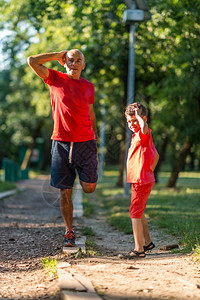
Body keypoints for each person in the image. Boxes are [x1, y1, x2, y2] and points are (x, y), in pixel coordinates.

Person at [27, 49, 98, 247]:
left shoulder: (89, 87)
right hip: (61, 143)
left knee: (89, 188)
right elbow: (32, 61)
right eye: (70, 60)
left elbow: (90, 113)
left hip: (86, 143)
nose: (74, 64)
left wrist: (96, 137)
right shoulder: (54, 78)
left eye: (78, 61)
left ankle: (86, 173)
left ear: (83, 64)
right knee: (64, 192)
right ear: (64, 63)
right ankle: (69, 231)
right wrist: (58, 54)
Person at [125, 102, 159, 258]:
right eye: (129, 122)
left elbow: (143, 126)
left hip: (141, 180)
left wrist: (139, 117)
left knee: (135, 213)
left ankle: (138, 249)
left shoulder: (143, 133)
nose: (132, 124)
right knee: (139, 210)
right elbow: (156, 155)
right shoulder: (136, 136)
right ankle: (147, 242)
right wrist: (148, 170)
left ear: (142, 118)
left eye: (134, 121)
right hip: (140, 179)